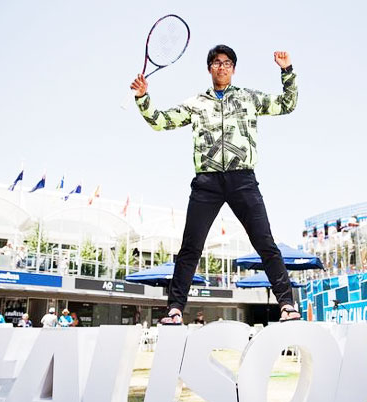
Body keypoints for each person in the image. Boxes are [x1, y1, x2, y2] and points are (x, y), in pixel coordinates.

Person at [129, 45, 300, 324]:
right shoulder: (196, 103)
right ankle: (174, 309)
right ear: (210, 68)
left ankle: (287, 305)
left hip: (242, 178)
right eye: (217, 62)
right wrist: (142, 97)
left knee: (265, 243)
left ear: (233, 69)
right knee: (190, 247)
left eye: (228, 63)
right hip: (206, 182)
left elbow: (287, 104)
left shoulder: (248, 98)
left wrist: (287, 71)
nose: (222, 67)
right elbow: (160, 122)